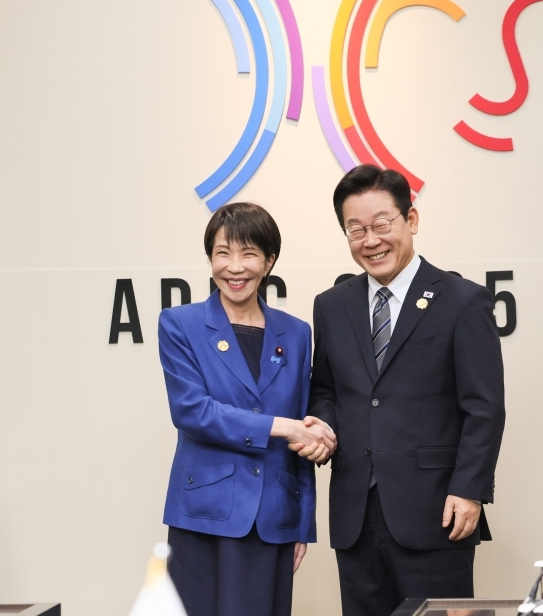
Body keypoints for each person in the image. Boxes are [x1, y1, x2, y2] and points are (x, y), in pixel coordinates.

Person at [297, 165, 506, 616]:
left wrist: (470, 489)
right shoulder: (331, 306)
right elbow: (326, 390)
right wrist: (324, 426)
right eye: (356, 230)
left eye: (381, 225)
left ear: (410, 221)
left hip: (436, 511)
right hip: (355, 512)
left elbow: (485, 407)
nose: (369, 240)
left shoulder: (461, 300)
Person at [157, 202, 337, 616]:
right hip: (205, 515)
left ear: (269, 260)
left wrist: (302, 524)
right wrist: (283, 427)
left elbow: (303, 423)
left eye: (248, 253)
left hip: (274, 517)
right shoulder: (179, 324)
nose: (234, 267)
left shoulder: (295, 333)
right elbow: (192, 412)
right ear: (210, 259)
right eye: (223, 253)